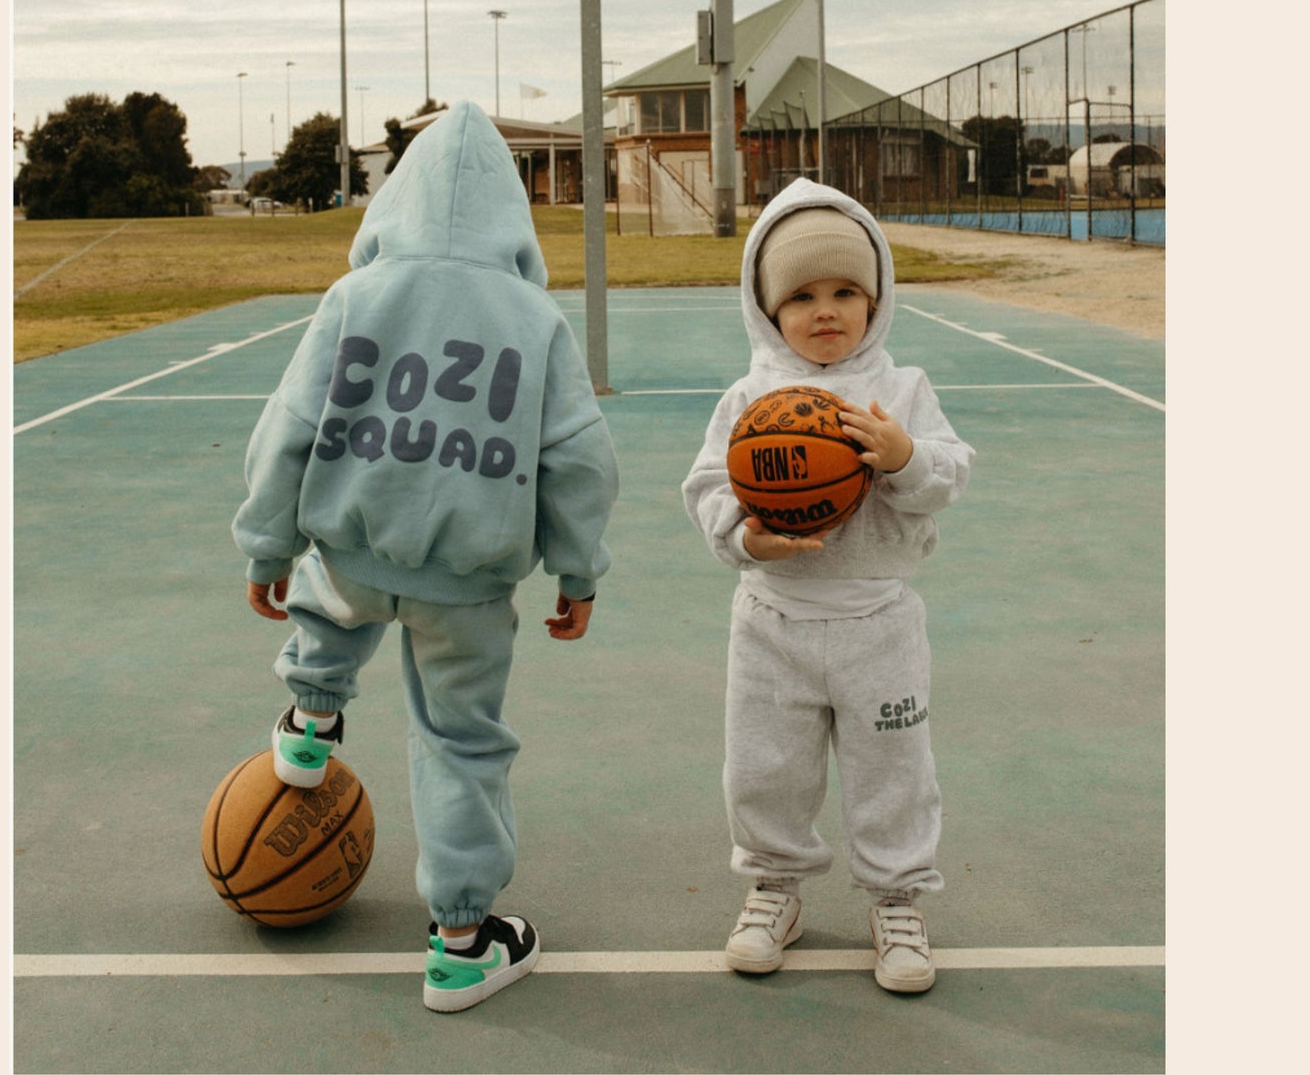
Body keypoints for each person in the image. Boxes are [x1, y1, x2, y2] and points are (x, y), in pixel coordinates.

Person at [232, 101, 619, 1013]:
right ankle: (460, 942)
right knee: (461, 744)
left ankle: (310, 714)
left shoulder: (353, 298)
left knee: (330, 596)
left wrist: (266, 543)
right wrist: (578, 568)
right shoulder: (535, 318)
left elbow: (287, 426)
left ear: (391, 203)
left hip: (354, 550)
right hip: (471, 587)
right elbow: (579, 456)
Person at [682, 178, 973, 993]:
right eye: (801, 294)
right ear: (767, 308)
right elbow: (707, 487)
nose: (825, 309)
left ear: (875, 299)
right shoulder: (748, 399)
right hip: (771, 619)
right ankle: (774, 887)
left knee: (894, 770)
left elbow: (949, 473)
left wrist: (904, 454)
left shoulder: (903, 390)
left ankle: (897, 897)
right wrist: (745, 534)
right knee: (763, 770)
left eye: (846, 290)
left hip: (878, 621)